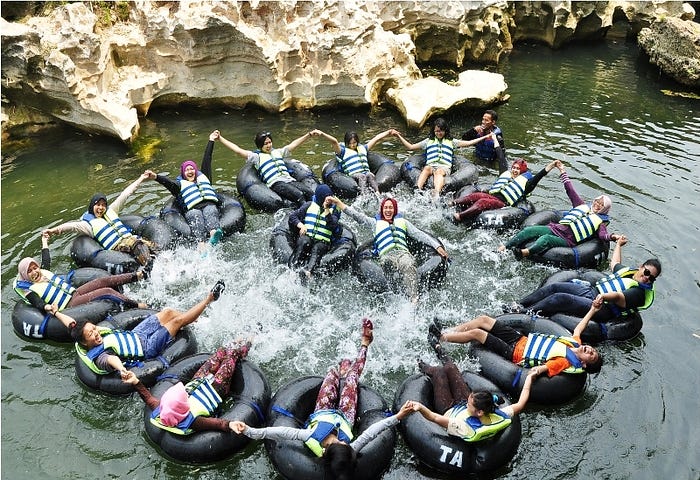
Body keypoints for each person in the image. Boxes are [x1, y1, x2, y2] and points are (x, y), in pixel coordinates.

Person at [230, 319, 415, 480]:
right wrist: (399, 416)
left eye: (342, 444)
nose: (345, 443)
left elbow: (276, 431)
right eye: (345, 444)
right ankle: (364, 344)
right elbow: (374, 430)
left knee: (332, 375)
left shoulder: (309, 435)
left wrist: (247, 430)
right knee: (351, 378)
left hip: (322, 410)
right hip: (346, 416)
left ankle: (342, 370)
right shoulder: (351, 447)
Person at [70, 280, 226, 375]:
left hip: (137, 334)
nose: (96, 333)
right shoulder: (99, 356)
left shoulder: (97, 335)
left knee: (168, 312)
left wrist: (59, 314)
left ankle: (194, 320)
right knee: (175, 322)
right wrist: (122, 369)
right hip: (147, 348)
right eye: (91, 334)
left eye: (94, 329)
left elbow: (72, 325)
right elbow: (111, 359)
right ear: (84, 342)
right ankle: (209, 299)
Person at [504, 235, 660, 320]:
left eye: (652, 278)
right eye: (647, 273)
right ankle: (518, 304)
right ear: (641, 267)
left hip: (603, 308)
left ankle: (523, 314)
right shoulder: (630, 273)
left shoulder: (639, 293)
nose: (647, 278)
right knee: (554, 287)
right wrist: (618, 245)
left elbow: (619, 297)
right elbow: (615, 264)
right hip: (593, 291)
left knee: (560, 298)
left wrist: (603, 296)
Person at [329, 196, 449, 302]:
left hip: (402, 253)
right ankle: (392, 291)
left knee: (408, 264)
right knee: (387, 263)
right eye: (385, 208)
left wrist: (437, 246)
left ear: (394, 210)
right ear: (382, 210)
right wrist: (340, 204)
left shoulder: (403, 222)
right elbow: (357, 216)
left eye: (390, 208)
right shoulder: (375, 223)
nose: (388, 210)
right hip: (387, 255)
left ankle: (413, 298)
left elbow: (419, 234)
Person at [430, 305, 603, 376]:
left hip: (514, 353)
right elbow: (578, 329)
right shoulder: (574, 343)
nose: (591, 350)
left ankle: (442, 338)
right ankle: (449, 330)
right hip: (520, 339)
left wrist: (531, 373)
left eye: (592, 356)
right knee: (484, 320)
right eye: (593, 350)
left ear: (584, 364)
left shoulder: (565, 361)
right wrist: (593, 310)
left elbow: (544, 368)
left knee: (477, 333)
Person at [121, 339, 252, 434]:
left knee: (222, 351)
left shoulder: (162, 410)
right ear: (184, 407)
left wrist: (135, 381)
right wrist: (231, 424)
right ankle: (251, 340)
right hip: (216, 388)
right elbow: (218, 423)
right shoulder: (194, 421)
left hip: (197, 381)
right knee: (232, 354)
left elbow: (148, 398)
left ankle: (239, 339)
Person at [13, 233, 147, 323]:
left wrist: (44, 242)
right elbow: (37, 302)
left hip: (74, 292)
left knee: (101, 281)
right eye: (29, 271)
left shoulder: (43, 273)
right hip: (69, 305)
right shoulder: (29, 290)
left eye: (35, 268)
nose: (34, 272)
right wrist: (47, 307)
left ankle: (136, 276)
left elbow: (46, 259)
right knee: (106, 291)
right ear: (25, 275)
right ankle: (137, 305)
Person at [498, 161, 620, 259]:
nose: (597, 205)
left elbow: (603, 236)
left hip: (567, 240)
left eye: (601, 205)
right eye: (597, 201)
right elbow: (570, 190)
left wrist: (614, 237)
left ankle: (524, 253)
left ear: (604, 209)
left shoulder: (600, 222)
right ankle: (504, 247)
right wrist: (562, 171)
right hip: (555, 228)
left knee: (546, 240)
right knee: (529, 230)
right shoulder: (581, 205)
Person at [406, 357, 537, 442]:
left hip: (448, 408)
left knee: (439, 372)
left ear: (479, 412)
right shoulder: (498, 416)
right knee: (450, 367)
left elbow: (434, 417)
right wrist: (529, 378)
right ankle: (437, 346)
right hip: (463, 403)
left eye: (469, 404)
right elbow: (521, 403)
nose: (467, 404)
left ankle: (418, 361)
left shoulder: (464, 427)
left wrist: (420, 407)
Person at [43, 173, 155, 266]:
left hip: (132, 240)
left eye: (103, 205)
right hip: (118, 248)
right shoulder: (87, 225)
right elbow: (71, 226)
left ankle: (157, 263)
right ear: (92, 205)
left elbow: (126, 194)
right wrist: (52, 231)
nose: (101, 208)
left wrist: (142, 178)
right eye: (98, 205)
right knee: (137, 244)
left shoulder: (112, 210)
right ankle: (149, 267)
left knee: (152, 246)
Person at [145, 130, 224, 249]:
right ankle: (201, 245)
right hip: (193, 209)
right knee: (195, 216)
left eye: (192, 169)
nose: (190, 171)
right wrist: (155, 176)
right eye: (187, 170)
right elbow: (167, 182)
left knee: (211, 211)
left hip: (208, 204)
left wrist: (211, 140)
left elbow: (207, 159)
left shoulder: (204, 176)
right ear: (183, 173)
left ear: (196, 170)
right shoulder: (179, 185)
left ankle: (214, 234)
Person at [452, 134, 557, 223]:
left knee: (482, 201)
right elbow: (500, 156)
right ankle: (452, 203)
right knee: (476, 195)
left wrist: (552, 165)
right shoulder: (506, 173)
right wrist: (494, 139)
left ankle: (460, 216)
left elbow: (539, 176)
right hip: (491, 196)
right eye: (514, 168)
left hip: (503, 204)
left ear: (522, 172)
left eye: (518, 169)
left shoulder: (526, 184)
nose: (515, 170)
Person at [393, 118, 488, 198]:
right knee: (427, 168)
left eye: (441, 131)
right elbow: (411, 147)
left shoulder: (451, 141)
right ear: (433, 131)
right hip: (431, 166)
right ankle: (417, 189)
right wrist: (398, 136)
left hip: (444, 167)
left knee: (438, 171)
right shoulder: (428, 141)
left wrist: (484, 137)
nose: (439, 133)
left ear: (445, 130)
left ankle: (436, 193)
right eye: (437, 131)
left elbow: (469, 143)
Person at [218, 130, 317, 206]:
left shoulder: (278, 152)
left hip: (290, 180)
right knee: (298, 195)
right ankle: (306, 216)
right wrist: (220, 138)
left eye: (270, 142)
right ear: (260, 145)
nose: (269, 145)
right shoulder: (256, 157)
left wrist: (308, 135)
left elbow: (293, 145)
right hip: (277, 183)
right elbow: (238, 150)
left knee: (310, 192)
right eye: (266, 144)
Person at [312, 128, 395, 195]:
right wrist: (322, 134)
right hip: (354, 175)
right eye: (350, 143)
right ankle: (363, 196)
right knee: (362, 177)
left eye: (354, 143)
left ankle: (378, 194)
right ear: (347, 143)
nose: (352, 145)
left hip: (366, 173)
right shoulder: (342, 152)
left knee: (370, 175)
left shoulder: (363, 148)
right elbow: (334, 141)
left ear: (357, 142)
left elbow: (376, 138)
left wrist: (388, 132)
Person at [288, 184, 342, 282]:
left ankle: (309, 272)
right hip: (308, 236)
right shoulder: (309, 205)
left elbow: (333, 226)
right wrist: (301, 225)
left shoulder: (334, 210)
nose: (327, 201)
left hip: (322, 241)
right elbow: (293, 217)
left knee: (317, 248)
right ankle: (293, 269)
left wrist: (326, 210)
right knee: (304, 241)